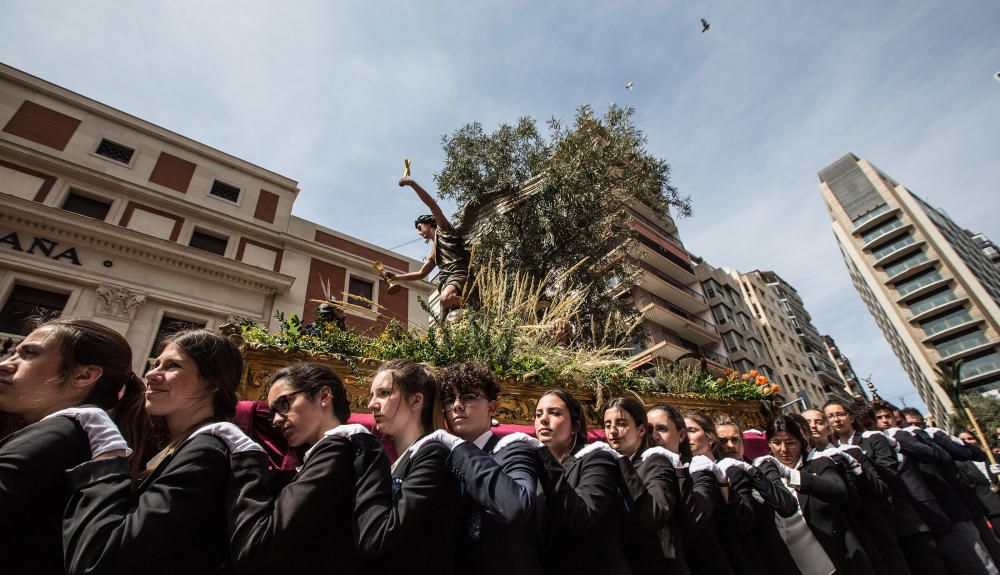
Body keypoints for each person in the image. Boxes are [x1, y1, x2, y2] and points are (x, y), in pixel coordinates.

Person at [61, 329, 257, 575]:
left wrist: (106, 462)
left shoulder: (206, 454)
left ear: (213, 383)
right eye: (156, 364)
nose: (152, 374)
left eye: (172, 366)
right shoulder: (184, 446)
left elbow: (101, 560)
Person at [0, 318, 143, 575]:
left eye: (29, 353)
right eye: (13, 352)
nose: (5, 365)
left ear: (84, 375)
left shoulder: (56, 437)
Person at [224, 361, 385, 574]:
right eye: (272, 413)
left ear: (323, 396)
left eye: (284, 404)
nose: (277, 420)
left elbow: (255, 546)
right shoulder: (335, 451)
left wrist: (247, 461)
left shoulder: (338, 452)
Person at [415, 362, 544, 575]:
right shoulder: (441, 458)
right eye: (449, 400)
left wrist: (459, 447)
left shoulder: (514, 449)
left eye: (468, 397)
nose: (457, 405)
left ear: (492, 408)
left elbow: (516, 507)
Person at [354, 359, 461, 575]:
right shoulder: (404, 459)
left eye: (384, 393)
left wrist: (368, 463)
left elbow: (381, 537)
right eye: (372, 395)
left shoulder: (433, 455)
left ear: (416, 401)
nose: (371, 404)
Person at [873, 400, 993, 575]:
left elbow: (943, 456)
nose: (887, 422)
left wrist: (913, 438)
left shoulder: (913, 437)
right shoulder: (874, 443)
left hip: (948, 509)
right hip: (914, 519)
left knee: (976, 557)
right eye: (879, 418)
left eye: (892, 418)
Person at [825, 399, 938, 575]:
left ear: (851, 417)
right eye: (830, 416)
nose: (836, 420)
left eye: (840, 414)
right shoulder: (832, 453)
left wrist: (858, 461)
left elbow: (890, 475)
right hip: (874, 529)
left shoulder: (872, 438)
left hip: (900, 520)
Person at [533, 389, 630, 575]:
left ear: (575, 426)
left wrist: (544, 458)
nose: (544, 419)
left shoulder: (598, 459)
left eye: (555, 413)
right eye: (538, 414)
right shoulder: (534, 467)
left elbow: (582, 517)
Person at [762, 414, 857, 575]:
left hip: (830, 563)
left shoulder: (819, 464)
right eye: (776, 443)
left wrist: (792, 475)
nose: (783, 449)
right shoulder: (765, 473)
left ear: (801, 443)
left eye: (790, 443)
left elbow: (838, 491)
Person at [608, 399, 689, 575]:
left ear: (641, 430)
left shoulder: (655, 461)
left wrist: (621, 463)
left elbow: (654, 514)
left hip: (660, 565)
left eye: (621, 424)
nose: (612, 431)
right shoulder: (612, 466)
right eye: (607, 425)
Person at [717, 417, 802, 575]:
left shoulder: (760, 466)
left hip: (778, 560)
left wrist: (753, 473)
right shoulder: (716, 477)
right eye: (723, 441)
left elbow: (787, 506)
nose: (730, 446)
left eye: (735, 440)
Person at [388, 178, 470, 314]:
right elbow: (421, 273)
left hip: (459, 274)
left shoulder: (444, 229)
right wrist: (396, 277)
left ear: (429, 223)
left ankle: (477, 306)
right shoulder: (433, 251)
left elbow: (432, 204)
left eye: (420, 228)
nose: (420, 233)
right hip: (446, 280)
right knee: (446, 311)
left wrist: (412, 184)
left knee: (446, 298)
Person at [681, 412, 737, 575]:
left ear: (711, 438)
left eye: (692, 430)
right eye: (683, 431)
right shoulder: (684, 472)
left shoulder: (730, 468)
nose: (686, 436)